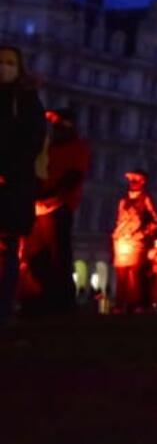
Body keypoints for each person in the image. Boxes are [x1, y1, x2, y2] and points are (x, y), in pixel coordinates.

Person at [20, 108, 88, 316]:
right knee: (34, 256)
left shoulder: (77, 147)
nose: (54, 127)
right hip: (38, 207)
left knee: (58, 256)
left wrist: (50, 192)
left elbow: (73, 176)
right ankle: (35, 299)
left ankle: (60, 302)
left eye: (58, 123)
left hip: (58, 207)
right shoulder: (47, 147)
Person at [0, 45, 46, 325]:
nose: (4, 67)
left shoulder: (27, 100)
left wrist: (7, 170)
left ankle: (3, 310)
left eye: (9, 63)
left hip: (13, 184)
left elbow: (32, 141)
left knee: (7, 249)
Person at [111, 169, 157, 313]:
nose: (132, 182)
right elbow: (119, 219)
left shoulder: (146, 199)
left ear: (142, 182)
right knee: (121, 274)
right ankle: (119, 304)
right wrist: (117, 234)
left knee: (135, 275)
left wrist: (143, 233)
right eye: (131, 179)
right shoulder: (123, 200)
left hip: (136, 243)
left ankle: (136, 304)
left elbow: (156, 221)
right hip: (121, 242)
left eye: (135, 179)